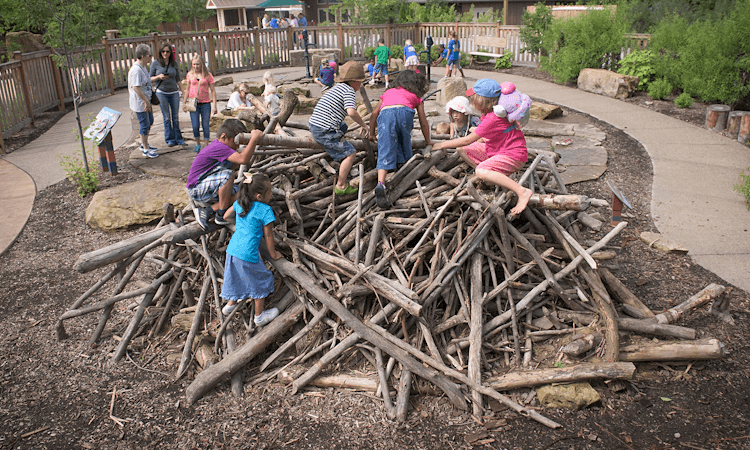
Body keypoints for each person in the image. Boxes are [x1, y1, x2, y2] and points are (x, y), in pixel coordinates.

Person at [432, 79, 532, 216]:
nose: (472, 100)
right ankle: (494, 177)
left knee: (480, 171)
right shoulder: (488, 113)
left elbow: (467, 140)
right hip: (497, 150)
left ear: (483, 100)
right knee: (462, 151)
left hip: (513, 155)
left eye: (474, 98)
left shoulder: (493, 118)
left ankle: (522, 191)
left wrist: (439, 145)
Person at [220, 172, 282, 327]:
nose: (272, 194)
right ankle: (259, 316)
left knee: (236, 276)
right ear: (260, 196)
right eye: (270, 191)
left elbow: (226, 216)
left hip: (233, 249)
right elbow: (268, 236)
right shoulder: (265, 210)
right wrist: (273, 254)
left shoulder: (241, 202)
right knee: (261, 281)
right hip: (248, 254)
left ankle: (230, 305)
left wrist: (242, 228)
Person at [368, 70, 433, 208]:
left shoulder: (388, 93)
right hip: (405, 113)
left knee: (385, 148)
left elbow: (374, 114)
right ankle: (405, 175)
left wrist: (372, 133)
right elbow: (423, 121)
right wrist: (428, 141)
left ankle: (381, 183)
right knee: (405, 143)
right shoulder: (415, 96)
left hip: (386, 114)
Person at [186, 119, 263, 229]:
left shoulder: (223, 148)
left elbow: (236, 163)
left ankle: (209, 210)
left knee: (244, 191)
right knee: (227, 176)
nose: (237, 146)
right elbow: (243, 159)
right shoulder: (218, 146)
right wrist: (254, 139)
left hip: (208, 187)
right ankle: (221, 215)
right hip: (196, 188)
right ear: (223, 137)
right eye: (235, 142)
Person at [308, 61, 369, 196]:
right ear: (354, 82)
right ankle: (341, 186)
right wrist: (364, 125)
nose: (360, 85)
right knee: (351, 152)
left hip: (314, 124)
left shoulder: (337, 87)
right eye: (360, 82)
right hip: (324, 131)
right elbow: (351, 112)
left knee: (343, 126)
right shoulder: (349, 91)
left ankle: (337, 148)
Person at [150, 44, 186, 147]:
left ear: (170, 53)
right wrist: (158, 77)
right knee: (166, 117)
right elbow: (149, 78)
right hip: (161, 92)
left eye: (167, 51)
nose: (165, 53)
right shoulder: (156, 63)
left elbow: (177, 78)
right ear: (160, 52)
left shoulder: (174, 63)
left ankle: (178, 138)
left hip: (174, 92)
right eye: (163, 51)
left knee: (175, 117)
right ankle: (169, 139)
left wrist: (183, 91)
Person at [128, 43, 159, 158]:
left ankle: (145, 143)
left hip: (147, 100)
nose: (150, 58)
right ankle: (145, 148)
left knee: (150, 121)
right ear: (142, 56)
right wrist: (146, 101)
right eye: (149, 55)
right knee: (144, 124)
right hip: (140, 103)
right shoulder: (136, 70)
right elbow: (136, 88)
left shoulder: (144, 67)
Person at [183, 55, 217, 153]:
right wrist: (184, 102)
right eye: (194, 64)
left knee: (205, 125)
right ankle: (198, 143)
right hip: (193, 103)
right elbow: (187, 89)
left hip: (205, 103)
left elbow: (213, 91)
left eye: (198, 64)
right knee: (195, 125)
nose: (196, 66)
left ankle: (206, 146)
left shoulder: (207, 75)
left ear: (201, 64)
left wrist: (214, 105)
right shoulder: (190, 74)